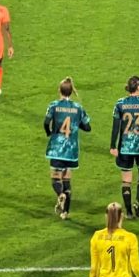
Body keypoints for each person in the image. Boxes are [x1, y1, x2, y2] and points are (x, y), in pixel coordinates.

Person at [43, 77, 91, 220]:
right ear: (71, 92)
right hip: (71, 150)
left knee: (55, 178)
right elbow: (88, 127)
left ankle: (60, 195)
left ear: (60, 90)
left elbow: (46, 123)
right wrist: (76, 124)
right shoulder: (78, 108)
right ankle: (65, 212)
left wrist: (49, 133)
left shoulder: (54, 105)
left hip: (57, 147)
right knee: (67, 179)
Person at [110, 75, 139, 219]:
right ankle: (138, 201)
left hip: (124, 148)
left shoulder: (120, 104)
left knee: (126, 181)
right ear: (138, 87)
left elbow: (116, 126)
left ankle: (129, 212)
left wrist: (113, 145)